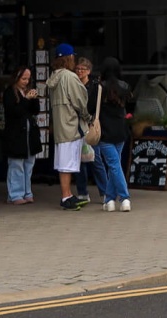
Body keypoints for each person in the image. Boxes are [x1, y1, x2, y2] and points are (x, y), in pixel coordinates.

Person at [47, 43, 91, 211]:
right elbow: (80, 101)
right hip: (71, 124)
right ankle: (66, 197)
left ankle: (67, 195)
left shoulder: (54, 76)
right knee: (68, 163)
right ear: (69, 58)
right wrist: (88, 117)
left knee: (63, 163)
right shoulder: (69, 77)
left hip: (60, 125)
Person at [96, 57, 133, 212]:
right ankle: (109, 199)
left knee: (113, 165)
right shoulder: (125, 86)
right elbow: (130, 107)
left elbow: (91, 108)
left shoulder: (99, 87)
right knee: (114, 165)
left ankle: (124, 198)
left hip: (105, 131)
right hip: (121, 130)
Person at [1, 67, 41, 205]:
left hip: (30, 134)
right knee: (16, 164)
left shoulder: (27, 90)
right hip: (16, 134)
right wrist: (26, 99)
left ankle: (27, 192)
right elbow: (14, 112)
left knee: (29, 164)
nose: (26, 81)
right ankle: (15, 194)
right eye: (23, 78)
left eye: (28, 79)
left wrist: (34, 99)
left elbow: (35, 111)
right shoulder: (9, 93)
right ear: (16, 78)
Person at [72, 58, 102, 207]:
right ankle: (82, 192)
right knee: (79, 161)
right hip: (76, 125)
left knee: (96, 160)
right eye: (77, 69)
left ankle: (104, 192)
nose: (79, 71)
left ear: (89, 71)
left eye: (83, 69)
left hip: (89, 125)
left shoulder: (94, 86)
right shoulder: (73, 84)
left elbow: (94, 105)